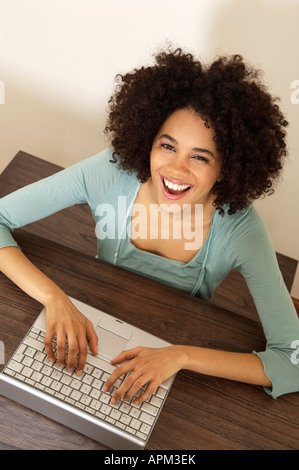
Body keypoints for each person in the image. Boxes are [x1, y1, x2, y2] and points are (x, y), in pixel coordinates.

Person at [0, 48, 299, 405]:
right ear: (148, 141)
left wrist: (181, 355)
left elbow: (292, 361)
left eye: (200, 157)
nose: (175, 169)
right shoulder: (110, 172)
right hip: (97, 321)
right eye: (167, 146)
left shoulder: (240, 228)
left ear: (229, 167)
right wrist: (54, 298)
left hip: (169, 346)